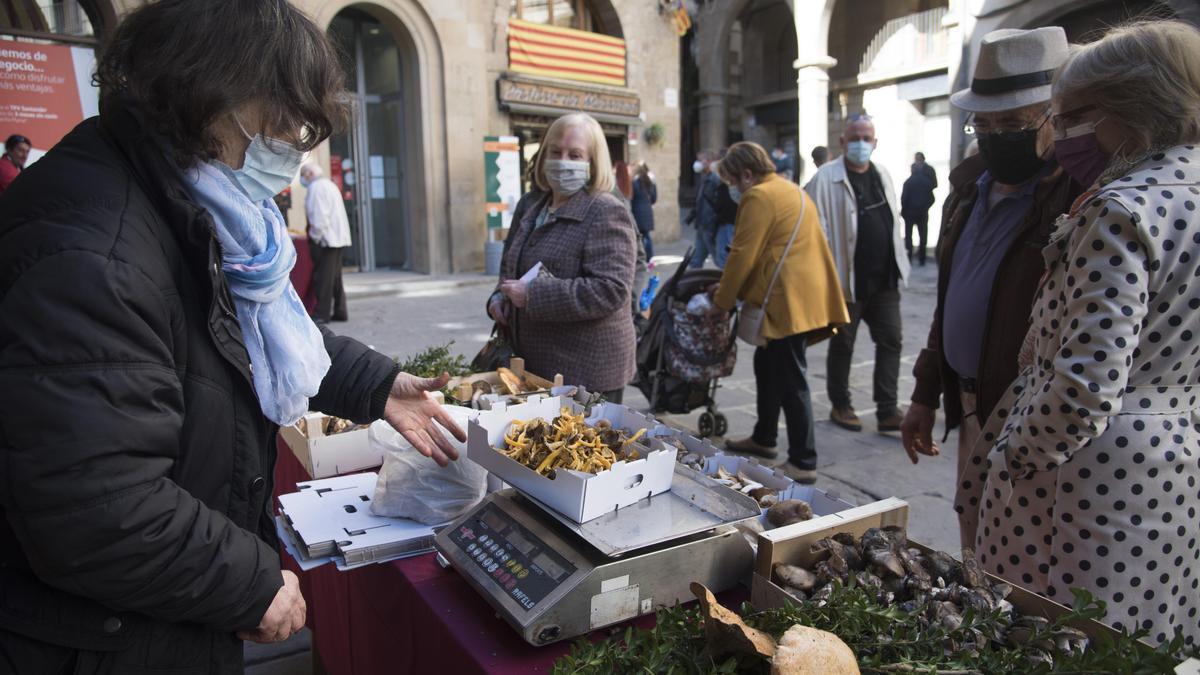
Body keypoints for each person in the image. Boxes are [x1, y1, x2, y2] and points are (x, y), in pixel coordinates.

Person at [0, 1, 466, 671]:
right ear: (210, 91)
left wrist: (377, 384)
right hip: (97, 641)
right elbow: (98, 505)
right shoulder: (96, 252)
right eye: (280, 116)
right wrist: (249, 584)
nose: (289, 142)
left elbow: (249, 332)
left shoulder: (185, 200)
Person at [958, 20, 1200, 647]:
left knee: (1055, 641)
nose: (1058, 135)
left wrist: (1017, 460)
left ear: (1129, 111)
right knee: (1138, 645)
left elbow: (1086, 386)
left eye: (1068, 117)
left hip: (1085, 481)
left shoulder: (1120, 209)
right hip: (1170, 458)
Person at [899, 27, 1079, 549]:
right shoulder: (967, 187)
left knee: (1021, 560)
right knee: (974, 540)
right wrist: (925, 393)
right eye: (986, 123)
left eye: (1015, 123)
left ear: (1056, 115)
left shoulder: (1074, 199)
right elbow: (949, 299)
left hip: (1032, 421)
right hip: (972, 404)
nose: (997, 135)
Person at [714, 142, 848, 484]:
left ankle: (804, 460)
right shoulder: (790, 189)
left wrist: (722, 302)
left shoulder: (758, 196)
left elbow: (743, 253)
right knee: (768, 365)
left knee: (791, 377)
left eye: (731, 179)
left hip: (786, 300)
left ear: (746, 174)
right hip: (804, 295)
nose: (731, 187)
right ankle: (764, 436)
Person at [487, 113, 637, 401]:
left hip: (586, 370)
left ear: (593, 162)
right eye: (555, 151)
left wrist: (532, 294)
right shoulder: (532, 203)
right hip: (529, 361)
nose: (562, 160)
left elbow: (611, 289)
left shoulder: (605, 210)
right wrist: (498, 298)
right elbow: (510, 266)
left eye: (575, 154)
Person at [806, 113, 910, 433]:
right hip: (846, 281)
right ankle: (841, 404)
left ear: (875, 142)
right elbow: (811, 228)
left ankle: (887, 409)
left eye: (867, 138)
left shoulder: (883, 174)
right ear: (842, 141)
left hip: (884, 279)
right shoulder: (825, 178)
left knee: (891, 340)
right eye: (855, 138)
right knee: (844, 344)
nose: (861, 144)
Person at [301, 161, 351, 323]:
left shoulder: (316, 188)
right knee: (335, 277)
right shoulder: (329, 184)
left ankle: (322, 314)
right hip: (338, 238)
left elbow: (318, 217)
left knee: (323, 278)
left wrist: (315, 237)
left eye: (303, 175)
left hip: (326, 240)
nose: (302, 179)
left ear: (309, 174)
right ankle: (340, 310)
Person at [900, 151, 937, 266]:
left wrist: (904, 211)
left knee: (911, 237)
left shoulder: (910, 182)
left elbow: (904, 198)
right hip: (920, 212)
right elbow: (931, 198)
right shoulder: (924, 182)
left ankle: (911, 257)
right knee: (921, 236)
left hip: (913, 212)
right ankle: (921, 259)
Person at [687, 151, 721, 268]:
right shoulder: (705, 178)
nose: (698, 163)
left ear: (709, 162)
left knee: (719, 258)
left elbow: (714, 202)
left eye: (701, 160)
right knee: (696, 259)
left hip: (708, 224)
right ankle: (692, 282)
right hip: (702, 224)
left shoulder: (714, 179)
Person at [630, 161, 657, 259]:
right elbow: (654, 198)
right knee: (646, 236)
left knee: (641, 237)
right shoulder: (650, 182)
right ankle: (649, 257)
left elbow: (631, 198)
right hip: (648, 212)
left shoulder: (634, 183)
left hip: (637, 212)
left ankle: (644, 257)